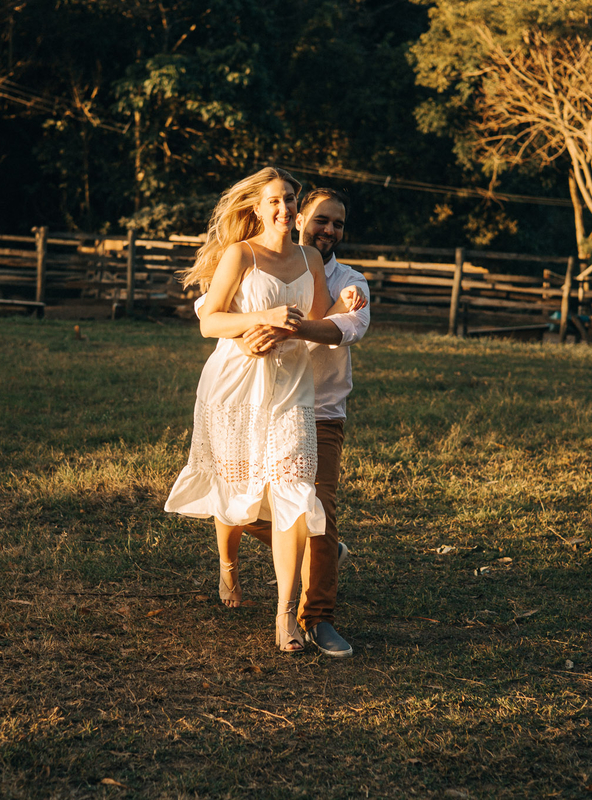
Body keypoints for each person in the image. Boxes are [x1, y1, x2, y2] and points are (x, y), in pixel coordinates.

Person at [164, 167, 359, 652]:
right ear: (256, 207)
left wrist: (344, 303)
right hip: (236, 384)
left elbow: (316, 318)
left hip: (293, 388)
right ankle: (228, 570)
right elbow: (209, 321)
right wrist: (259, 319)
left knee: (293, 492)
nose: (284, 207)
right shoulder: (240, 254)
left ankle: (284, 617)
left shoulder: (311, 256)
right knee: (238, 483)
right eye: (274, 200)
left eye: (290, 199)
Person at [233, 188, 369, 658]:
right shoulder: (264, 260)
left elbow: (344, 329)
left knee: (319, 508)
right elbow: (212, 307)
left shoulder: (351, 281)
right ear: (297, 218)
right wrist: (247, 332)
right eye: (320, 220)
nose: (329, 230)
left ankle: (318, 618)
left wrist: (284, 324)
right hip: (264, 404)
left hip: (321, 411)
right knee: (244, 505)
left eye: (338, 224)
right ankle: (324, 551)